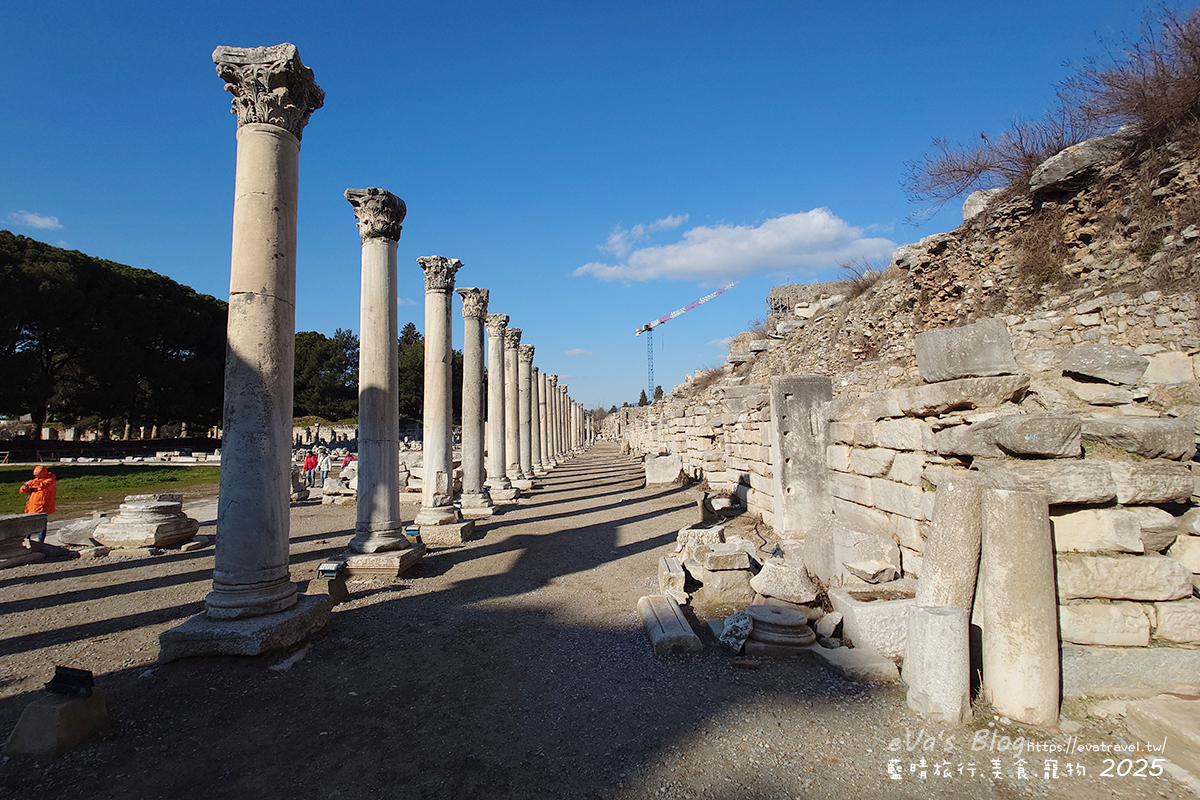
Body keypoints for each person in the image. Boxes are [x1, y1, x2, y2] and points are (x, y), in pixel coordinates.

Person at [19, 465, 56, 544]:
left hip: (42, 507)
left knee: (41, 524)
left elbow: (43, 485)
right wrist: (25, 487)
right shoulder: (36, 481)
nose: (36, 477)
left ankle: (40, 542)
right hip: (32, 506)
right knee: (28, 523)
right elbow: (23, 490)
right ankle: (26, 539)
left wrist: (31, 482)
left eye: (37, 475)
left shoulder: (50, 481)